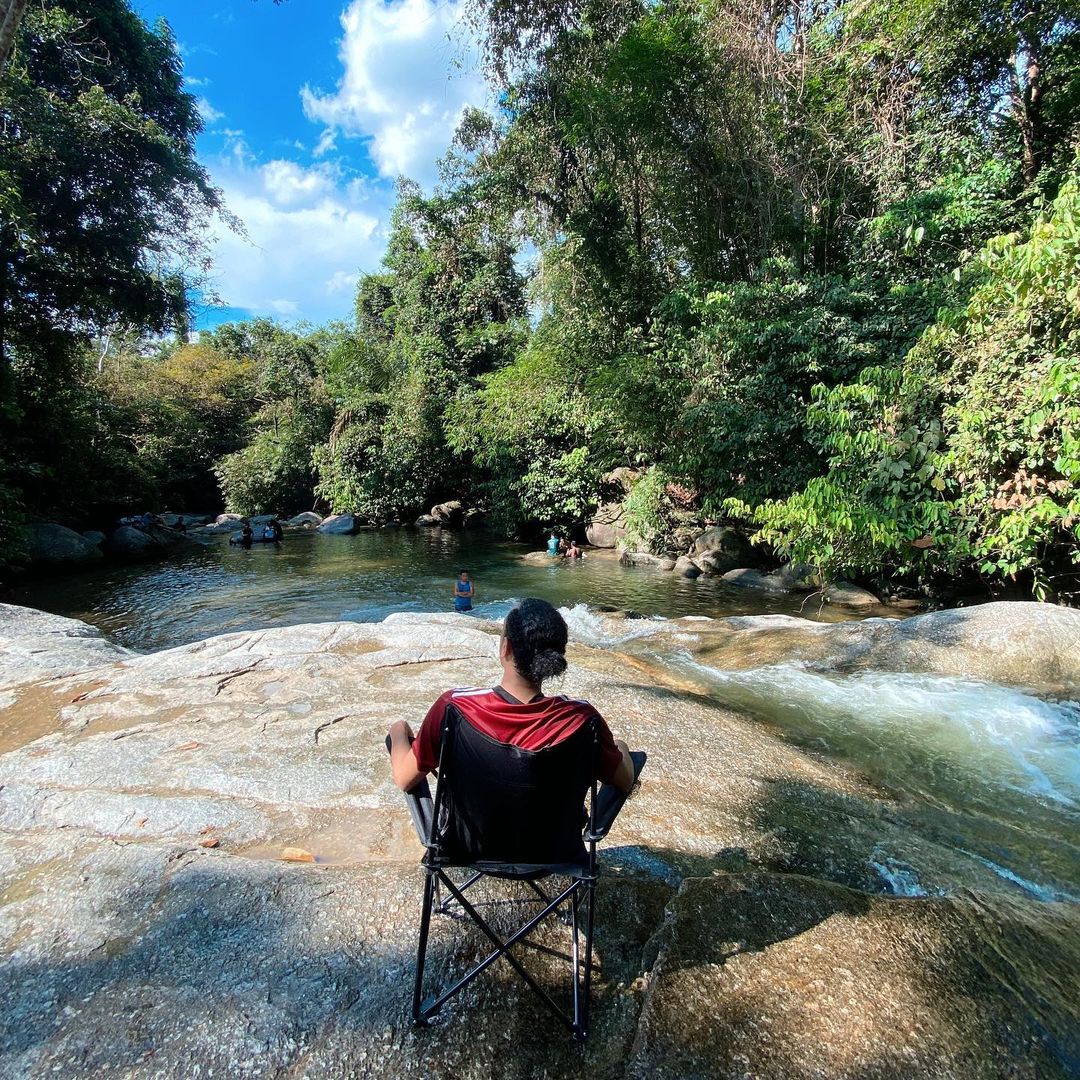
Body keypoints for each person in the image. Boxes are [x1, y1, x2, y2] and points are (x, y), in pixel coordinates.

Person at [388, 598, 635, 795]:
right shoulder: (582, 718)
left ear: (505, 647)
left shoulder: (454, 707)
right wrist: (621, 748)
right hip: (558, 855)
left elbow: (403, 779)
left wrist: (398, 731)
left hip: (467, 852)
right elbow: (624, 782)